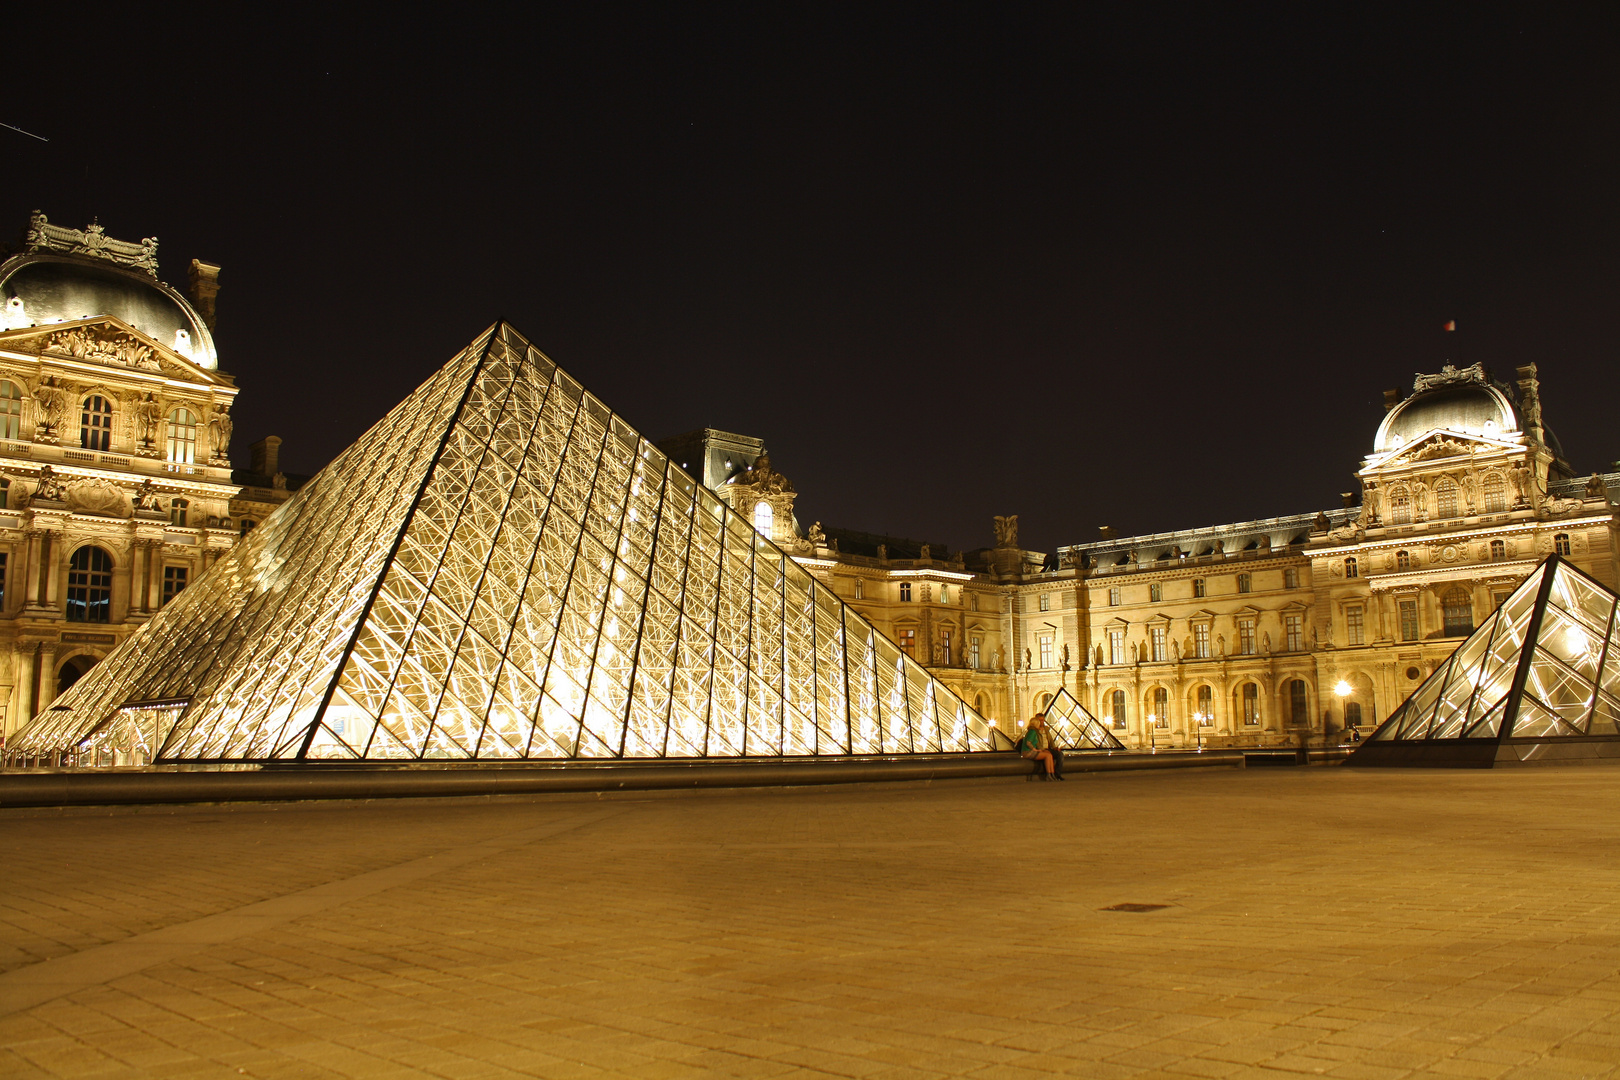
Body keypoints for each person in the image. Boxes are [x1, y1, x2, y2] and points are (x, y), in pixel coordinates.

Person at [1018, 713, 1063, 780]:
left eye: (1043, 720)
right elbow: (1029, 743)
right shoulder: (1033, 731)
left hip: (1033, 751)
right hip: (1029, 752)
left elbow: (1050, 740)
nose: (1041, 722)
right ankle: (1049, 775)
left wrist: (1054, 747)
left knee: (1057, 754)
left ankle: (1052, 774)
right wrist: (1036, 750)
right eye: (1040, 721)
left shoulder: (1043, 730)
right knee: (1048, 755)